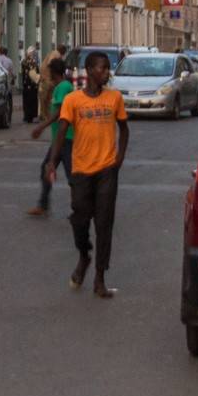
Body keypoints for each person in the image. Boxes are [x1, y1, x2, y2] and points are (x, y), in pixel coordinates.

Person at [57, 50, 129, 297]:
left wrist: (119, 159)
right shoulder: (73, 100)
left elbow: (124, 129)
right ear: (89, 71)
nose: (106, 72)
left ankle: (100, 278)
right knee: (79, 217)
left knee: (104, 225)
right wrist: (51, 164)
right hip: (81, 170)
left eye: (108, 68)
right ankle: (84, 255)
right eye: (102, 68)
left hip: (107, 170)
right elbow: (61, 132)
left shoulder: (115, 98)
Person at [26, 57, 73, 218]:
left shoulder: (63, 87)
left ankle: (81, 205)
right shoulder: (62, 86)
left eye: (49, 71)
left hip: (66, 138)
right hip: (59, 139)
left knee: (71, 175)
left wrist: (41, 126)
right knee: (47, 168)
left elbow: (60, 112)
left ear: (54, 72)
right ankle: (43, 205)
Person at [19, 47, 43, 124]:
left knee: (28, 101)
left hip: (28, 85)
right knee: (32, 100)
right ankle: (31, 116)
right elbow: (35, 72)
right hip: (31, 84)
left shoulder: (26, 62)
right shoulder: (32, 62)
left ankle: (28, 116)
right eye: (32, 53)